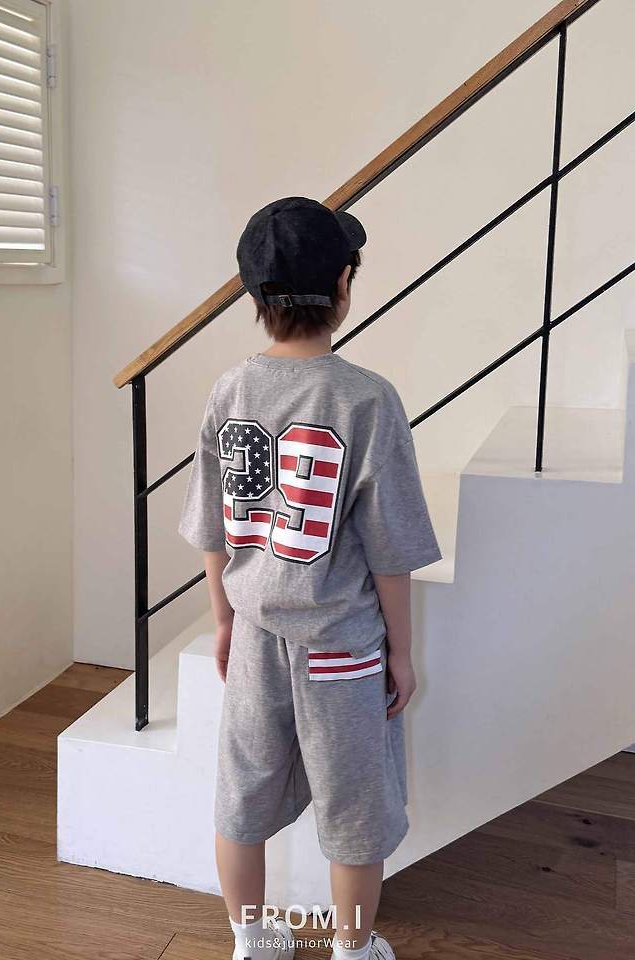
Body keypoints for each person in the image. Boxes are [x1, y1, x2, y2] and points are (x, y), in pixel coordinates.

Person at [178, 196, 441, 960]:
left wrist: (224, 621)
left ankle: (251, 940)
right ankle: (353, 950)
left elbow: (214, 527)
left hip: (255, 636)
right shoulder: (367, 399)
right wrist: (401, 652)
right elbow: (390, 550)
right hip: (341, 647)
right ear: (344, 285)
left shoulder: (230, 390)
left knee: (242, 794)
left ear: (253, 296)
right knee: (356, 806)